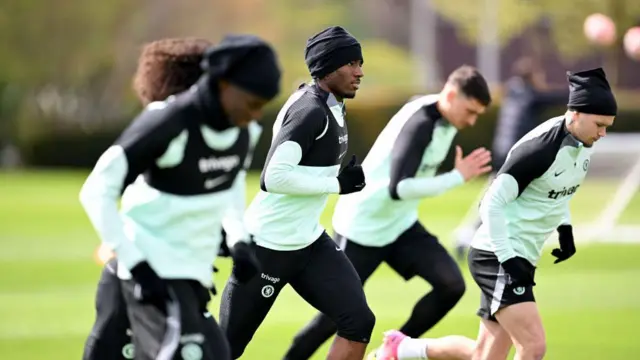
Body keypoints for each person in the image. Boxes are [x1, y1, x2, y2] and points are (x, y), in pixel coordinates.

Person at [373, 67, 616, 360]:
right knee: (533, 345)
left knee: (484, 355)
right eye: (599, 124)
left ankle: (401, 349)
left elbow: (558, 189)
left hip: (520, 255)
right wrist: (508, 258)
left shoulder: (583, 141)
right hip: (498, 256)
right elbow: (490, 203)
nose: (603, 133)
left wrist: (564, 228)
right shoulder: (539, 149)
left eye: (607, 126)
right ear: (575, 113)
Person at [79, 34, 281, 360]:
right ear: (224, 84)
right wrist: (138, 266)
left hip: (193, 273)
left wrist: (239, 239)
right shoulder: (168, 122)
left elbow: (228, 184)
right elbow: (96, 190)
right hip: (151, 271)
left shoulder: (245, 131)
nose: (257, 115)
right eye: (253, 103)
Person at [284, 65, 493, 360]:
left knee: (450, 285)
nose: (471, 121)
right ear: (450, 94)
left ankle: (393, 349)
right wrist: (457, 177)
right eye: (470, 111)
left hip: (399, 225)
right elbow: (400, 188)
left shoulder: (443, 118)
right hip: (362, 228)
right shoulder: (421, 122)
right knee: (331, 319)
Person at [219, 26, 375, 360]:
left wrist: (339, 175)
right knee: (225, 349)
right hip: (267, 247)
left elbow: (308, 165)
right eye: (351, 64)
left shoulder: (332, 104)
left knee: (359, 321)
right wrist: (336, 185)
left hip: (309, 242)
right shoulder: (310, 110)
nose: (360, 72)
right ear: (326, 67)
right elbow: (273, 177)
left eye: (360, 63)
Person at [454, 57, 569, 259]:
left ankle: (475, 236)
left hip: (503, 151)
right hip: (514, 154)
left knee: (502, 196)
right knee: (500, 198)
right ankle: (469, 237)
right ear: (532, 77)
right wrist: (583, 89)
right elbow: (555, 97)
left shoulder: (513, 93)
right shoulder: (530, 95)